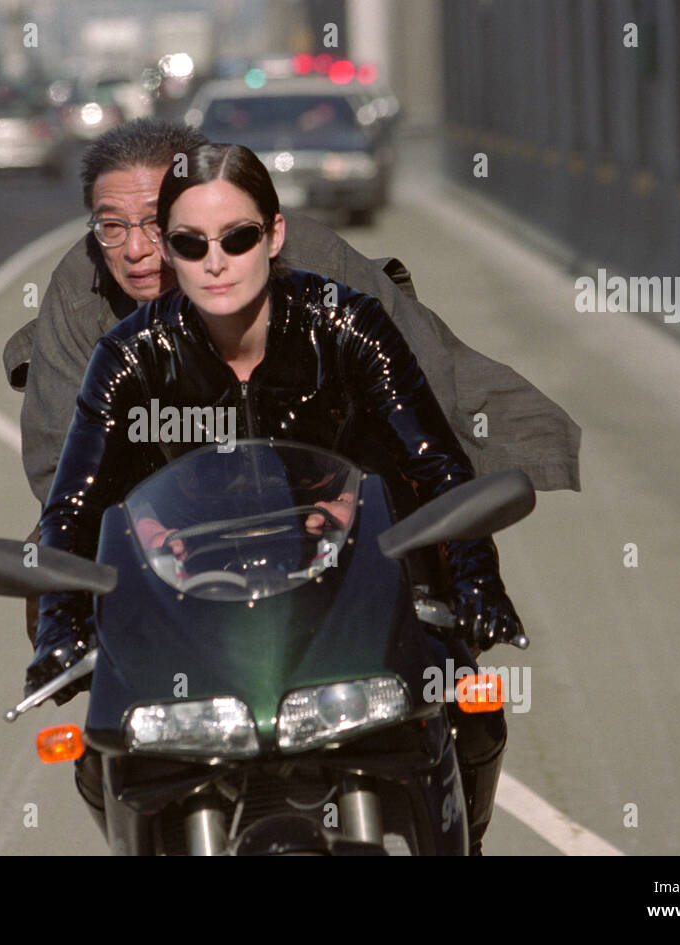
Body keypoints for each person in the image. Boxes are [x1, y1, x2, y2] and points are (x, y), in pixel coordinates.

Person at [28, 142, 528, 853]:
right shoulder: (130, 355)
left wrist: (476, 577)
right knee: (103, 747)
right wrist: (61, 624)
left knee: (470, 709)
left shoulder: (346, 323)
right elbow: (74, 507)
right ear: (169, 251)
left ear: (274, 234)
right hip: (198, 602)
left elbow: (435, 463)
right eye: (190, 243)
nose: (216, 260)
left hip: (358, 584)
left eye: (237, 237)